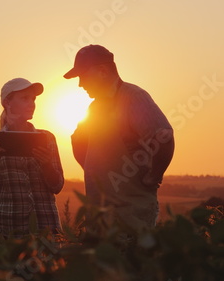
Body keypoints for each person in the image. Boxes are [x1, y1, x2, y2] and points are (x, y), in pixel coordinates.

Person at [63, 44, 175, 232]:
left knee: (133, 260)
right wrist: (93, 172)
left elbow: (164, 137)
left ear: (103, 71)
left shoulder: (134, 97)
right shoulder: (94, 108)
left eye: (83, 76)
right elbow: (77, 141)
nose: (80, 84)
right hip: (99, 215)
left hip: (131, 215)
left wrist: (154, 176)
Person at [0, 78, 65, 238]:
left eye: (33, 99)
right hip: (5, 229)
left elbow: (57, 186)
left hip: (45, 228)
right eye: (25, 98)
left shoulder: (47, 138)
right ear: (7, 102)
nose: (32, 103)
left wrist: (46, 165)